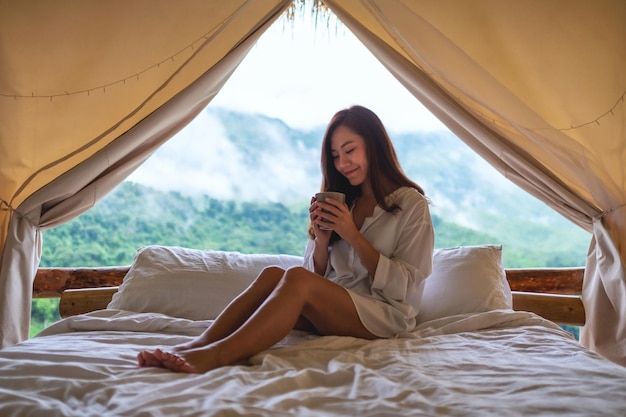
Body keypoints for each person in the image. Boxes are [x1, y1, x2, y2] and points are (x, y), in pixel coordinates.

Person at [137, 105, 434, 373]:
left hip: (384, 316)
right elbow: (312, 276)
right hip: (339, 308)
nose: (343, 163)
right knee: (272, 276)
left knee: (294, 280)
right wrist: (322, 239)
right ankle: (194, 346)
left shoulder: (411, 205)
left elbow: (405, 287)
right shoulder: (347, 202)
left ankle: (215, 356)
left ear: (373, 145)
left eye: (349, 150)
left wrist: (352, 235)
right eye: (335, 156)